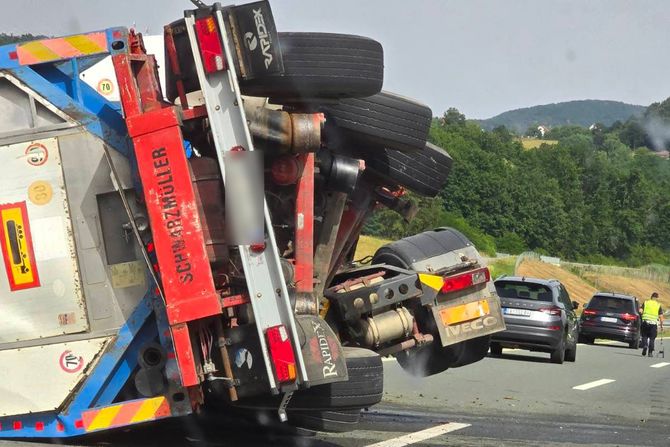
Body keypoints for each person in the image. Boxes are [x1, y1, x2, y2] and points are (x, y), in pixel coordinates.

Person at [640, 292, 664, 357]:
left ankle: (645, 345)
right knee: (652, 338)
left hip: (645, 322)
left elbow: (640, 311)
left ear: (651, 297)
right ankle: (650, 353)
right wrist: (661, 326)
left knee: (644, 336)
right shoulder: (658, 305)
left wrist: (641, 315)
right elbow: (661, 317)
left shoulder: (646, 303)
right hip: (653, 324)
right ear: (656, 298)